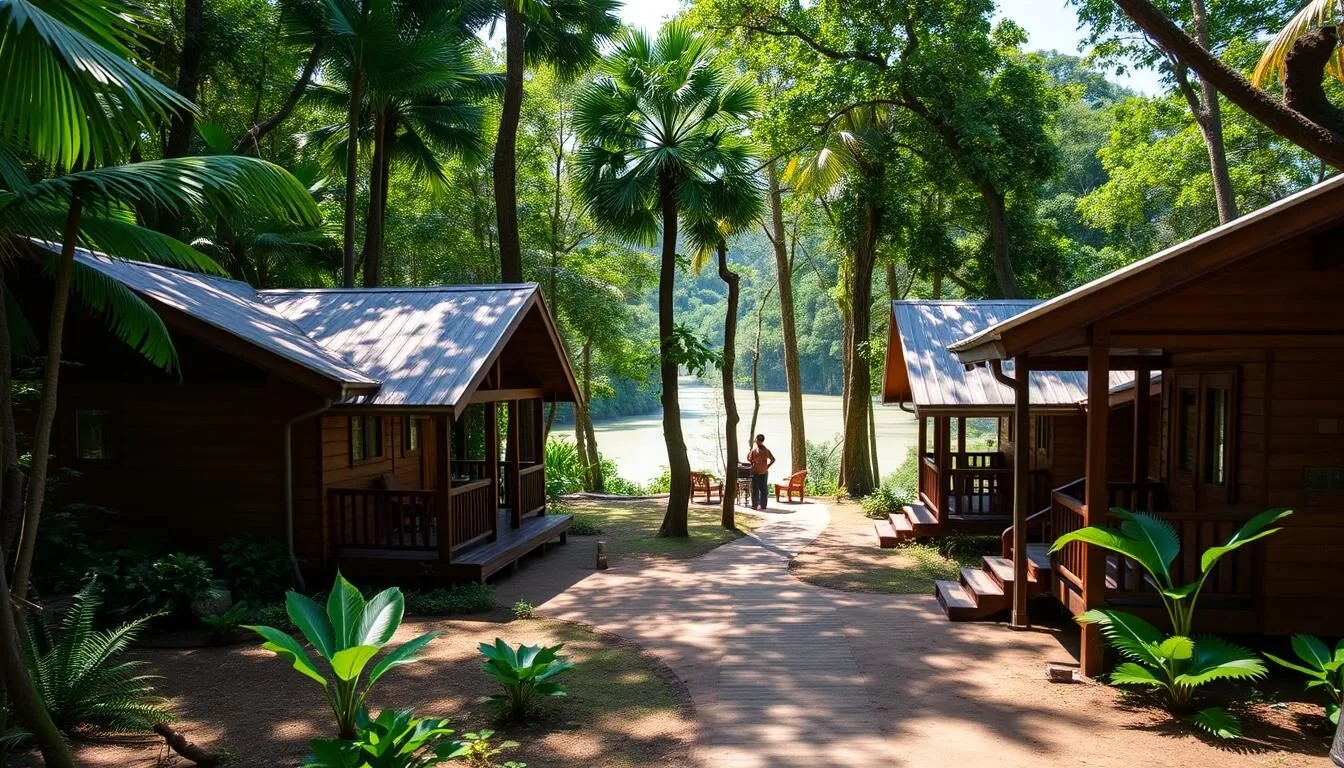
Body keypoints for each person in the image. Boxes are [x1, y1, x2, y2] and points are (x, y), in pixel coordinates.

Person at [746, 434, 775, 510]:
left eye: (758, 441)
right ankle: (755, 505)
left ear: (761, 441)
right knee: (755, 489)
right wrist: (753, 462)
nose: (757, 442)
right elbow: (748, 458)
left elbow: (773, 459)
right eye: (756, 440)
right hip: (755, 472)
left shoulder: (766, 451)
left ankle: (763, 505)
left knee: (764, 489)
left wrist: (767, 466)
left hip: (764, 472)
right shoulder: (754, 450)